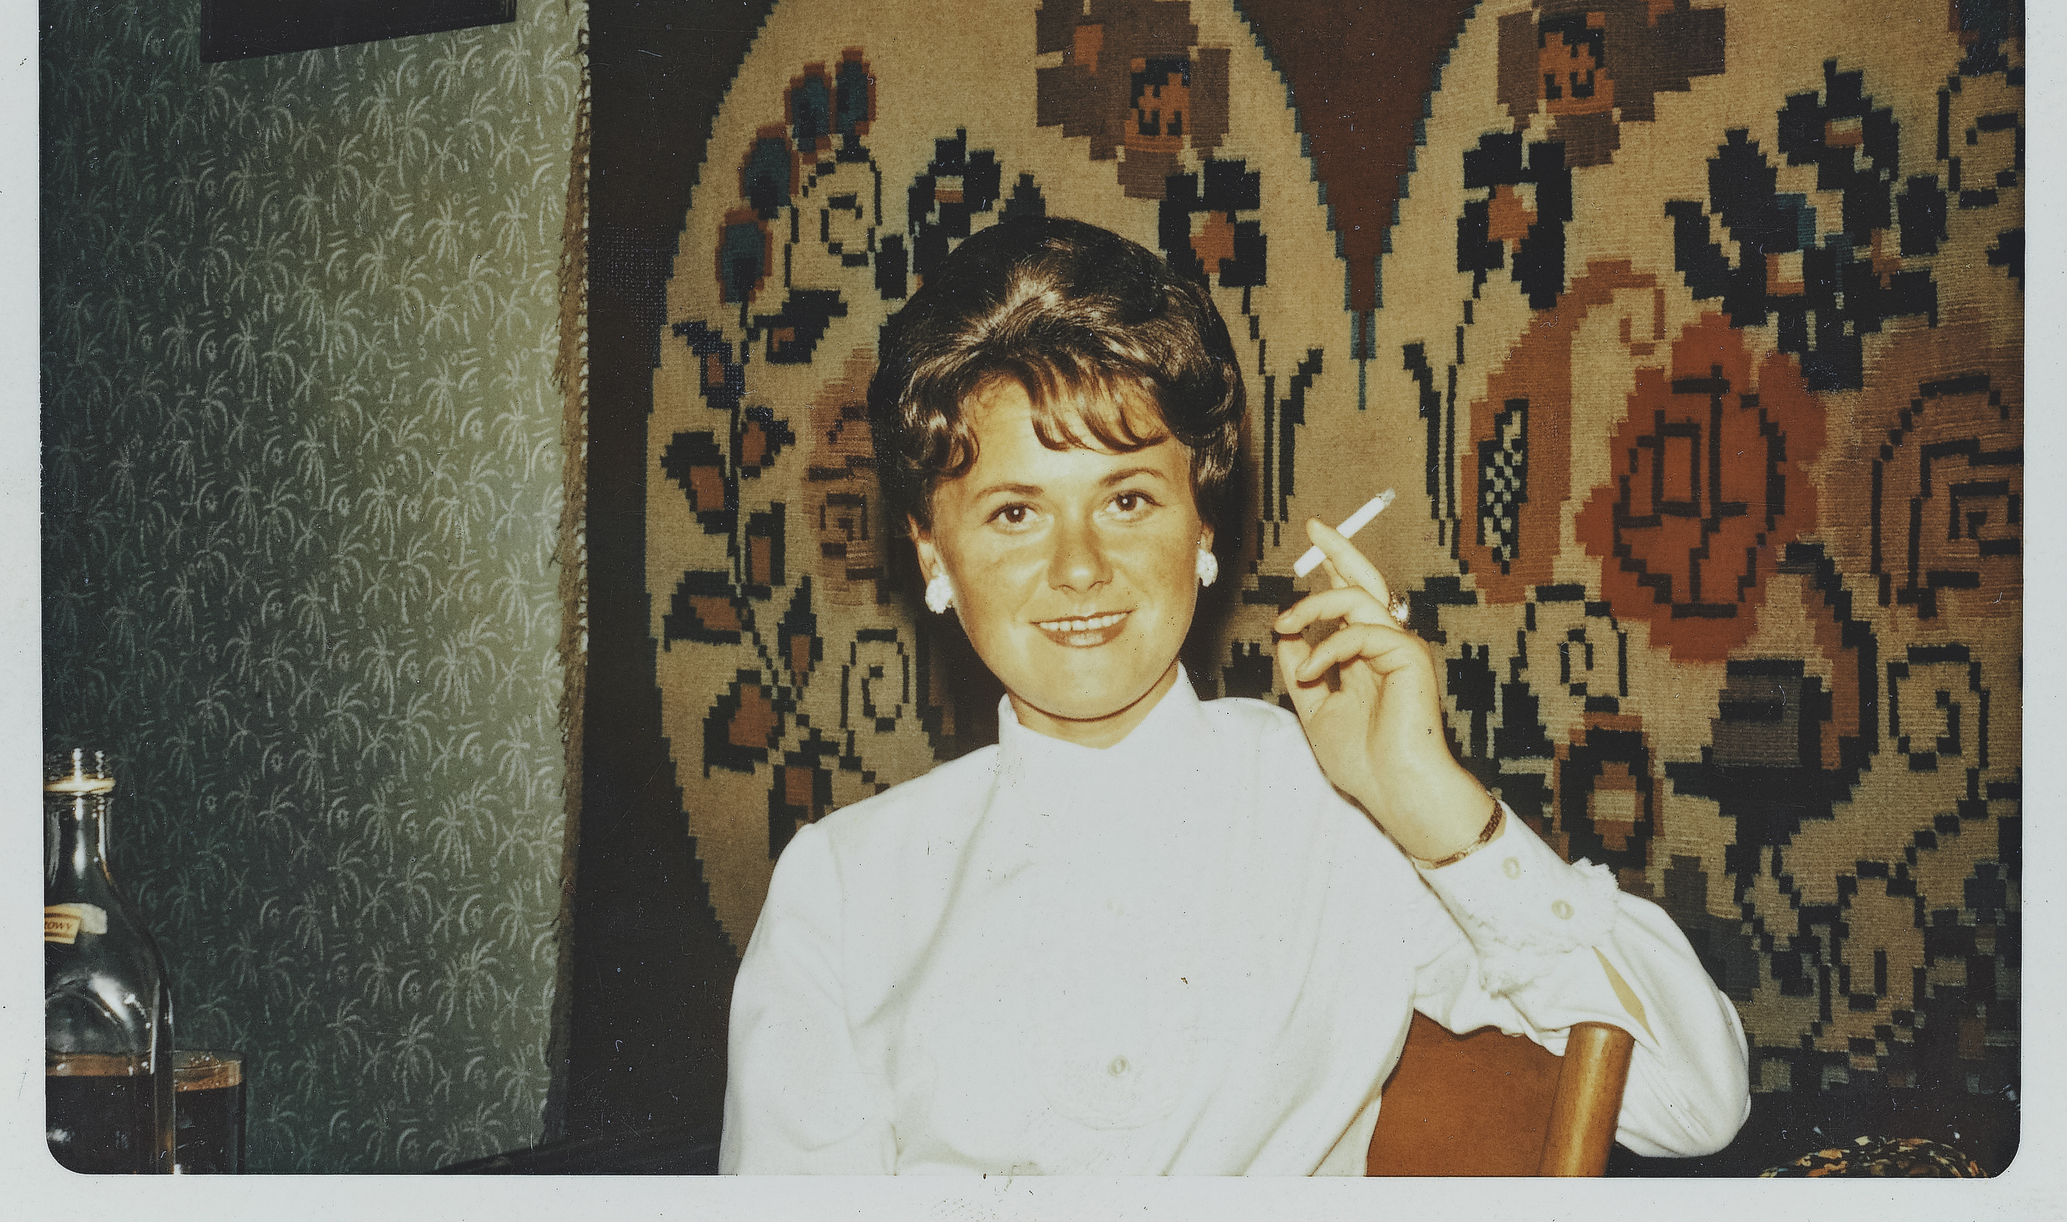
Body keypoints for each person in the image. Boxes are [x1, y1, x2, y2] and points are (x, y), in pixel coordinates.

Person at [719, 217, 1749, 1174]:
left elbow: (1695, 1098)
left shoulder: (1340, 821)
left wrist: (1429, 798)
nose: (1079, 568)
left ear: (1202, 525)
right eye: (1015, 513)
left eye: (1127, 499)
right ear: (932, 552)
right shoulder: (842, 893)